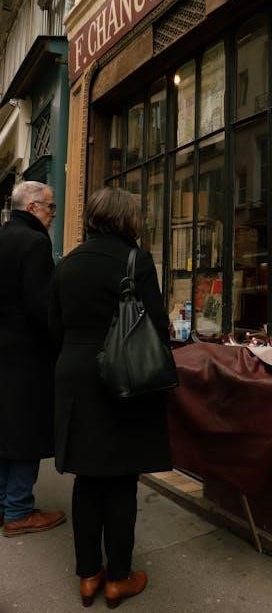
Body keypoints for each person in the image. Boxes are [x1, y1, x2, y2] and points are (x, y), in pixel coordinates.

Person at [49, 187, 172, 608]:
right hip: (122, 377)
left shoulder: (67, 264)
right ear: (127, 219)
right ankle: (118, 576)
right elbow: (157, 327)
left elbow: (53, 326)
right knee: (120, 480)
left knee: (86, 479)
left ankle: (88, 575)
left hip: (75, 375)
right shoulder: (136, 260)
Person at [0, 180, 66, 536]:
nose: (53, 213)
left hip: (4, 353)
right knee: (26, 433)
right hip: (26, 357)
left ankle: (4, 505)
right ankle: (18, 511)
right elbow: (42, 308)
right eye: (50, 206)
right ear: (32, 208)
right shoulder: (36, 243)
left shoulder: (3, 236)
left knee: (4, 431)